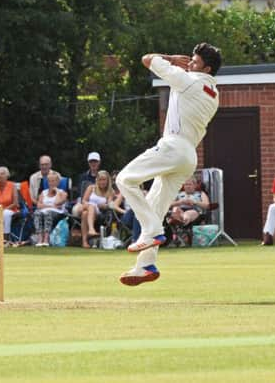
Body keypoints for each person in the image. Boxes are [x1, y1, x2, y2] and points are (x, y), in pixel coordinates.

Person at [116, 43, 221, 286]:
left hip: (173, 146)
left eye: (194, 61)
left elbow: (146, 58)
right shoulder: (213, 93)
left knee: (124, 179)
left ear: (206, 68)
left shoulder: (190, 80)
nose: (189, 63)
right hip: (188, 157)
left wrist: (171, 58)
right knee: (154, 206)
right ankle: (145, 266)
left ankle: (152, 230)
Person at [166, 176, 210, 247]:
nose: (187, 186)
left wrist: (195, 202)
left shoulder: (200, 193)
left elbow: (207, 205)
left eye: (190, 184)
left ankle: (181, 221)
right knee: (176, 208)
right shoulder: (179, 194)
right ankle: (180, 221)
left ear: (195, 185)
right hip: (180, 211)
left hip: (195, 211)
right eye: (186, 184)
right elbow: (169, 204)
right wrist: (181, 202)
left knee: (188, 213)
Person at [80, 170, 115, 248]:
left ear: (108, 180)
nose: (102, 182)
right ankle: (91, 229)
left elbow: (109, 204)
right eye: (100, 180)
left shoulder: (111, 191)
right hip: (87, 206)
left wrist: (104, 206)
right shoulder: (91, 188)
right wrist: (89, 205)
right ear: (97, 180)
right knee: (90, 207)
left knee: (85, 214)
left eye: (104, 180)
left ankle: (84, 242)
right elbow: (84, 200)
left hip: (99, 212)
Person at [33, 172, 68, 247]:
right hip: (43, 212)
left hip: (58, 214)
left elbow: (57, 202)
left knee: (47, 213)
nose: (51, 183)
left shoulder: (63, 193)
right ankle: (40, 239)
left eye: (53, 181)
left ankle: (46, 239)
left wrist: (57, 192)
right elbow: (39, 205)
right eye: (49, 181)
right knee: (37, 213)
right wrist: (51, 206)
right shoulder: (43, 192)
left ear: (58, 182)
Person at [72, 152, 102, 217]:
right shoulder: (82, 177)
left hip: (97, 202)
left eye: (95, 161)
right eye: (91, 162)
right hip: (83, 202)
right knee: (75, 210)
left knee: (86, 212)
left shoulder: (102, 177)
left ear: (99, 162)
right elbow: (79, 192)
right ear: (88, 163)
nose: (93, 164)